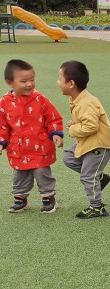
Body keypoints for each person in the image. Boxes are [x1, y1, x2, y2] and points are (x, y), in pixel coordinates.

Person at [1, 59, 63, 214]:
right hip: (18, 149)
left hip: (40, 147)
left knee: (42, 173)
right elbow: (2, 126)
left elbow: (53, 118)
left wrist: (55, 133)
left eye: (32, 80)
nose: (29, 84)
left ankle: (48, 198)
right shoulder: (4, 103)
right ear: (9, 83)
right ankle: (20, 199)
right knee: (20, 174)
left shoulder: (40, 99)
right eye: (23, 81)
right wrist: (1, 142)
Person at [58, 61, 110, 220]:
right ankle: (100, 177)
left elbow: (91, 126)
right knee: (69, 157)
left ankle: (97, 207)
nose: (57, 82)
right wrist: (76, 123)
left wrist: (73, 129)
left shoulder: (86, 102)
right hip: (88, 143)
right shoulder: (78, 99)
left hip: (98, 145)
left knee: (88, 176)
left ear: (71, 84)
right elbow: (85, 121)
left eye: (60, 78)